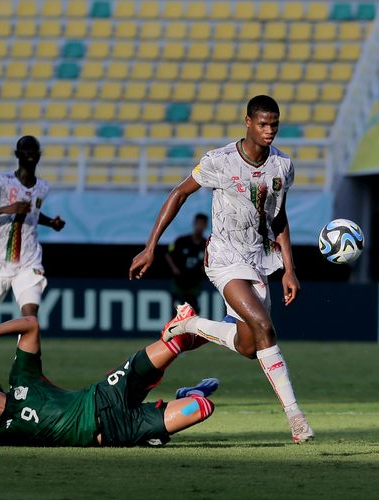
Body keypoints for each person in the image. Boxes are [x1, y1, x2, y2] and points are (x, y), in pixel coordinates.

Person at [130, 95, 314, 443]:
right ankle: (297, 418)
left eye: (274, 124)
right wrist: (151, 246)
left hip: (260, 258)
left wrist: (289, 269)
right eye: (262, 124)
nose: (269, 130)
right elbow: (179, 193)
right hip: (225, 259)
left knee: (249, 346)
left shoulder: (282, 167)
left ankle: (189, 323)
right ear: (248, 122)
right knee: (264, 327)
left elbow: (280, 218)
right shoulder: (220, 161)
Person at [0, 315, 217, 447]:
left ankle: (220, 328)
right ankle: (186, 396)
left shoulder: (22, 377)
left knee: (173, 341)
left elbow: (29, 323)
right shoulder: (4, 432)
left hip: (104, 395)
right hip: (118, 431)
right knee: (203, 407)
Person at [0, 135, 65, 378]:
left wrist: (52, 222)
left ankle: (24, 369)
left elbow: (33, 213)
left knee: (30, 318)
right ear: (17, 154)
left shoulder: (43, 187)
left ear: (39, 155)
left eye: (33, 149)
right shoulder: (0, 182)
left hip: (28, 262)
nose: (29, 153)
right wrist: (7, 209)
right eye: (24, 149)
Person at [164, 213, 208, 312]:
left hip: (194, 283)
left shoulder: (206, 245)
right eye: (198, 223)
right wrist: (174, 268)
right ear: (194, 224)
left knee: (193, 312)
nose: (199, 227)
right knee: (176, 311)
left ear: (206, 226)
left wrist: (204, 268)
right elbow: (168, 254)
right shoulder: (182, 240)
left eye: (202, 224)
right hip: (179, 282)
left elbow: (210, 262)